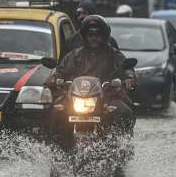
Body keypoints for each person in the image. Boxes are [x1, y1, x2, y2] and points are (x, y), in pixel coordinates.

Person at [49, 15, 136, 150]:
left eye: (97, 34)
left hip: (107, 96)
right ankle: (57, 149)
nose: (93, 38)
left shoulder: (113, 54)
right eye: (90, 35)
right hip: (76, 97)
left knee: (125, 112)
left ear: (104, 36)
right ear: (84, 36)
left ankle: (120, 147)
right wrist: (55, 77)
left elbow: (126, 68)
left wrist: (129, 77)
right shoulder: (75, 55)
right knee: (55, 111)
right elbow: (61, 69)